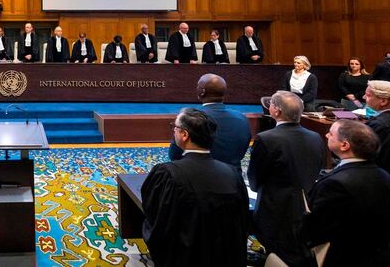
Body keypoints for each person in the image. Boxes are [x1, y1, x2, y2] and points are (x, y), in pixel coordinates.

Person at [142, 108, 249, 267]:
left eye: (175, 127)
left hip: (184, 257)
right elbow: (242, 222)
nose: (174, 131)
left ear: (184, 135)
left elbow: (157, 219)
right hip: (225, 257)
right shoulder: (233, 174)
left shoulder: (167, 173)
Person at [248, 91, 327, 266]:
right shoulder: (315, 137)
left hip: (273, 207)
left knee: (275, 248)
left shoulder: (266, 138)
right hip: (306, 203)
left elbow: (254, 177)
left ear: (276, 111)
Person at [302, 120, 390, 266]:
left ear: (344, 145)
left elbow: (316, 227)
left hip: (342, 256)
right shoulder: (384, 175)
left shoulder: (336, 184)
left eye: (331, 133)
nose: (326, 135)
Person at [168, 74, 251, 171]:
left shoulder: (189, 118)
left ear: (202, 92)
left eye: (198, 86)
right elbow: (243, 150)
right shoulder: (242, 118)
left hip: (195, 178)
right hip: (234, 180)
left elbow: (174, 155)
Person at [365, 79, 390, 173]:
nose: (364, 97)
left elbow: (366, 156)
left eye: (368, 95)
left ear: (383, 101)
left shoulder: (379, 125)